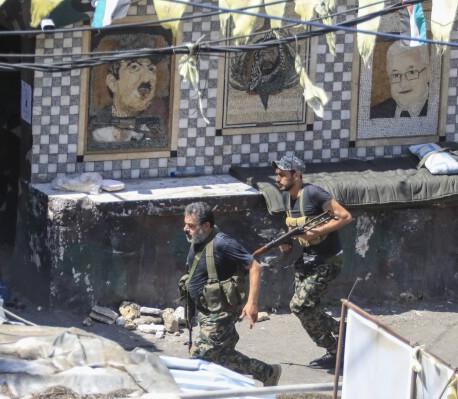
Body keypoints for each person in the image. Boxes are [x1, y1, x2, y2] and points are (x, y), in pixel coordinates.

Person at [181, 202, 281, 386]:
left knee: (198, 357)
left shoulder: (222, 243)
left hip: (221, 312)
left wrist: (252, 303)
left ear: (206, 226)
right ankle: (267, 372)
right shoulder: (197, 239)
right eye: (186, 224)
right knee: (220, 357)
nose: (186, 229)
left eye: (191, 226)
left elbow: (255, 267)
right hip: (207, 310)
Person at [272, 155, 353, 369]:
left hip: (327, 260)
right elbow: (295, 228)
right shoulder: (288, 197)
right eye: (277, 174)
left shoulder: (314, 193)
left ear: (296, 175)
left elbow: (344, 216)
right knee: (308, 310)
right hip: (304, 261)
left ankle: (343, 331)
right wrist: (287, 243)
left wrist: (317, 231)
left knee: (299, 306)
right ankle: (335, 351)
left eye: (282, 174)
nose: (277, 178)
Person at [89, 35, 169, 145]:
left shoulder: (159, 128)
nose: (146, 78)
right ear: (113, 83)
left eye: (151, 69)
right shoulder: (95, 129)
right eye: (134, 67)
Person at [370, 40, 431, 119]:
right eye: (396, 75)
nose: (403, 84)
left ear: (428, 74)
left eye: (411, 72)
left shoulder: (439, 110)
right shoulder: (374, 114)